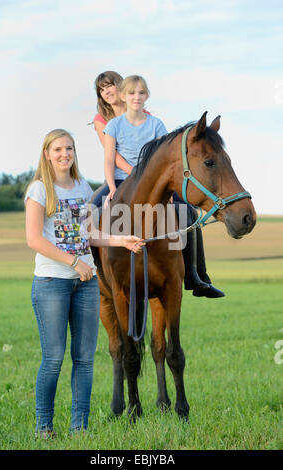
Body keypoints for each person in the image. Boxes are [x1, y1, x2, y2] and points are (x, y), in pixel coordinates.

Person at [25, 128, 144, 438]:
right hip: (52, 283)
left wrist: (122, 240)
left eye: (69, 148)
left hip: (86, 285)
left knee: (84, 359)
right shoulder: (39, 190)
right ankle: (44, 427)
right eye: (58, 149)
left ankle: (80, 428)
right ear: (47, 154)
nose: (65, 154)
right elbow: (34, 239)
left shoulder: (82, 187)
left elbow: (90, 235)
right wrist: (74, 263)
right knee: (53, 359)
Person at [92, 71, 224, 298]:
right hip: (121, 178)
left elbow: (161, 152)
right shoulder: (104, 121)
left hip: (152, 179)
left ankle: (196, 274)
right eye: (103, 89)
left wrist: (154, 179)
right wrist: (132, 174)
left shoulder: (148, 118)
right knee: (93, 207)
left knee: (187, 211)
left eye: (112, 85)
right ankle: (97, 272)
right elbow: (110, 156)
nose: (108, 91)